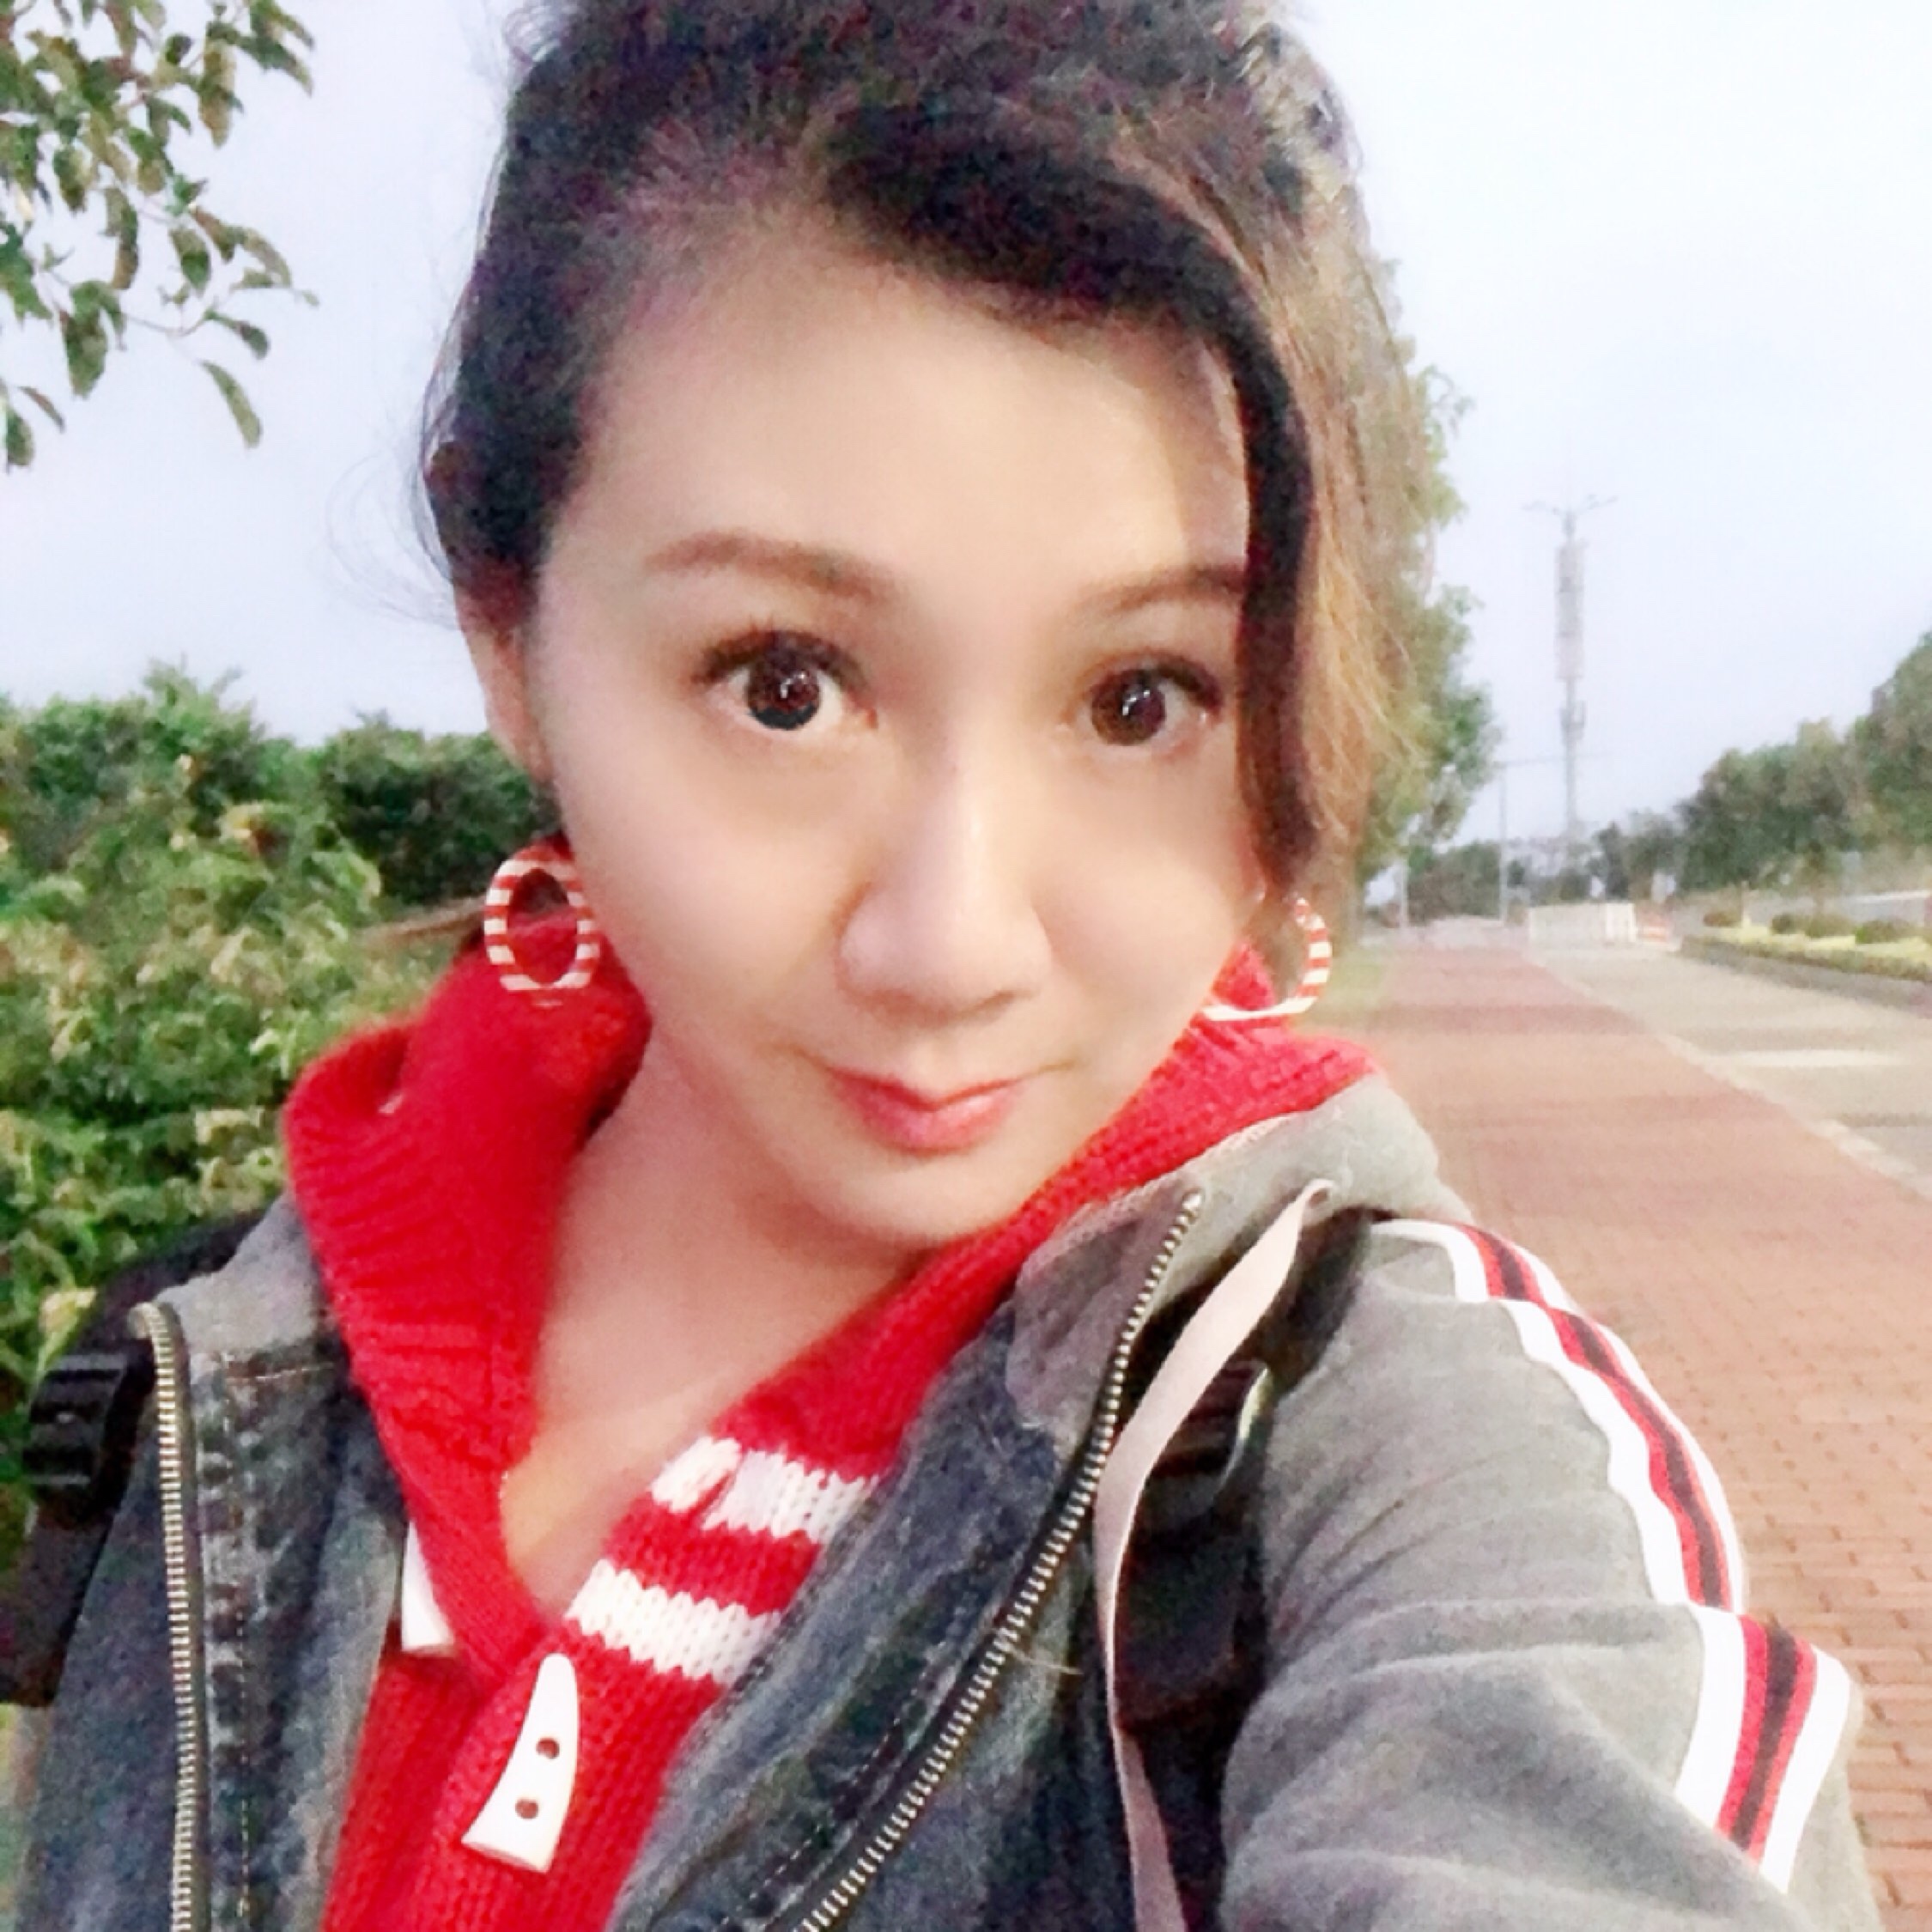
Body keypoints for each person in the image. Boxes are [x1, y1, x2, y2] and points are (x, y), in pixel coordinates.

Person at [11, 3, 1881, 1928]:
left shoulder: (1382, 1440)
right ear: (509, 627)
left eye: (1141, 697)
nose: (952, 943)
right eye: (784, 684)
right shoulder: (217, 1367)